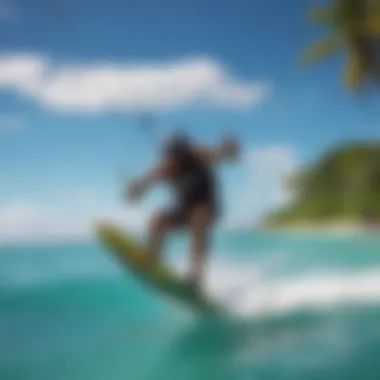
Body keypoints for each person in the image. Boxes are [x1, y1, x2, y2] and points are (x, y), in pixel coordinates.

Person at [126, 131, 239, 290]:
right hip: (184, 210)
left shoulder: (198, 155)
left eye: (179, 157)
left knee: (198, 215)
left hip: (207, 208)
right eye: (172, 159)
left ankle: (196, 275)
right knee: (158, 219)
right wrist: (135, 190)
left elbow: (225, 154)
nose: (174, 162)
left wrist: (229, 148)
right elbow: (142, 185)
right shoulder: (164, 167)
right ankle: (152, 258)